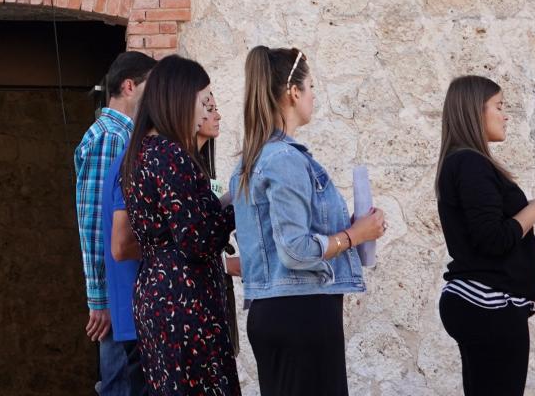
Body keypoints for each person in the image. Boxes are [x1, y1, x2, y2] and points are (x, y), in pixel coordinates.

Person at [228, 47, 383, 396]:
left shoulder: (252, 160)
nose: (314, 95)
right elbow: (295, 250)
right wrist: (355, 234)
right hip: (302, 313)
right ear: (293, 92)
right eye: (311, 86)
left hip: (277, 312)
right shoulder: (284, 158)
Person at [436, 75, 535, 396]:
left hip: (481, 305)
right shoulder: (470, 164)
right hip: (488, 306)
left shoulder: (464, 163)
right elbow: (492, 239)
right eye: (499, 106)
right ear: (475, 112)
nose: (505, 115)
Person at [119, 55, 240, 395]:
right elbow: (198, 238)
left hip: (157, 293)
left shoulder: (142, 152)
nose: (209, 110)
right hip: (184, 301)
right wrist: (240, 207)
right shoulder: (171, 154)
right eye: (204, 101)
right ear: (180, 99)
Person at [74, 51, 155, 395]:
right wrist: (100, 300)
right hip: (116, 296)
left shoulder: (124, 136)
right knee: (120, 386)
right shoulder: (111, 137)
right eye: (150, 88)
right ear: (128, 87)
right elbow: (94, 223)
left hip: (125, 291)